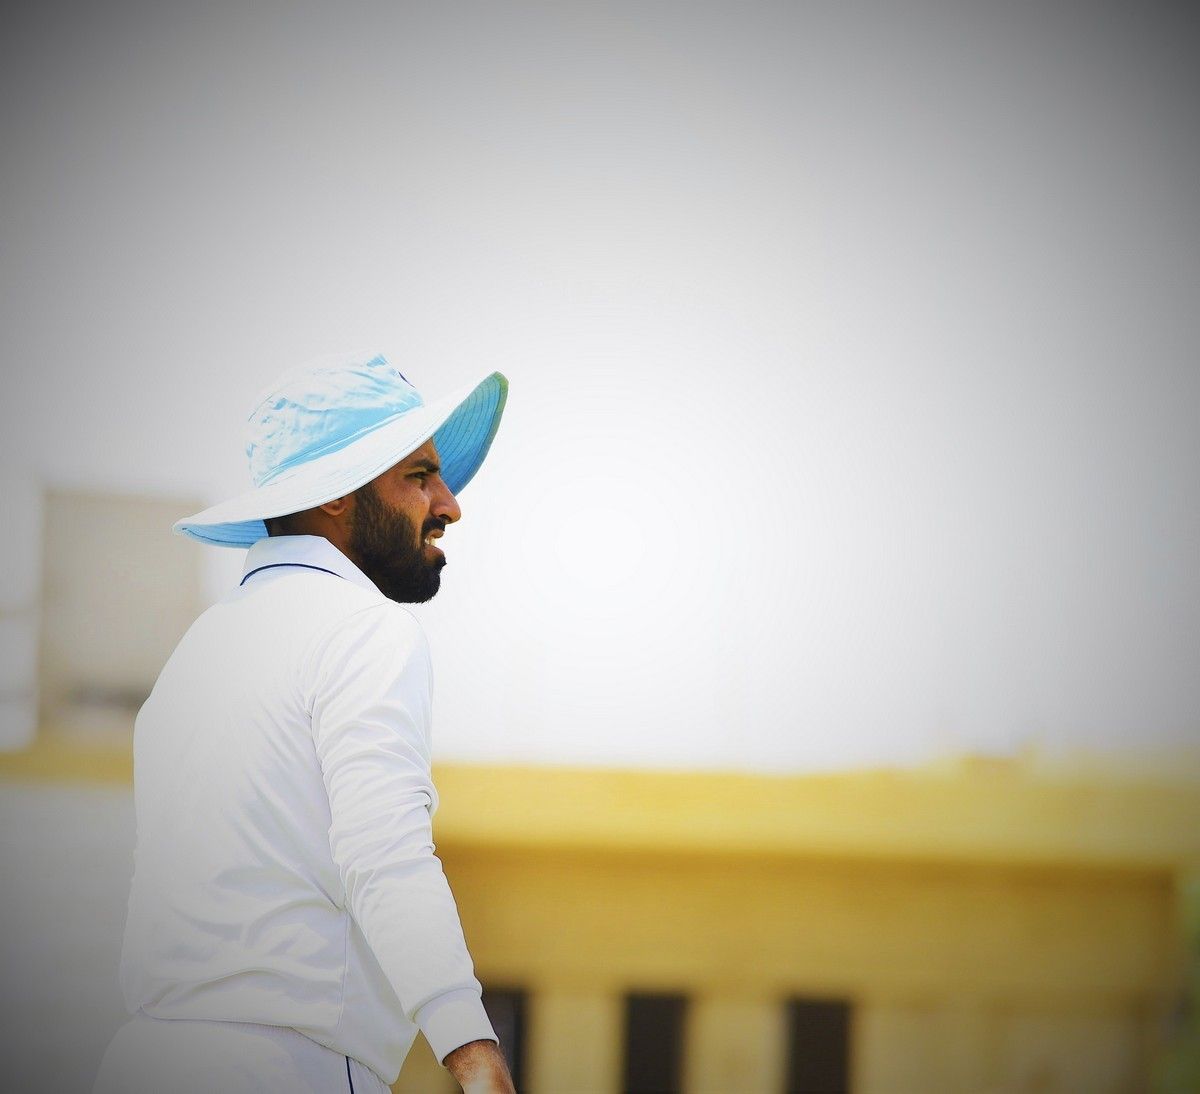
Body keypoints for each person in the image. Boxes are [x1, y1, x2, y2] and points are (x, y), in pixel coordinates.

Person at [94, 353, 516, 1094]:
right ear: (337, 494)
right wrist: (474, 1055)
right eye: (420, 476)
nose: (450, 505)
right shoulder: (365, 628)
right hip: (285, 1069)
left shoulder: (198, 650)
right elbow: (385, 854)